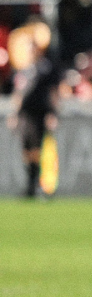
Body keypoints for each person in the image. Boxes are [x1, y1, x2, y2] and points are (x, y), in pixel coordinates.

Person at [6, 22, 61, 199]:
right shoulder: (24, 69)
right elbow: (18, 94)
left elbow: (53, 92)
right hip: (25, 114)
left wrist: (53, 113)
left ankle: (39, 184)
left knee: (38, 149)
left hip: (39, 113)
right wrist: (14, 113)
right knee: (27, 149)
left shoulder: (46, 67)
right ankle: (30, 185)